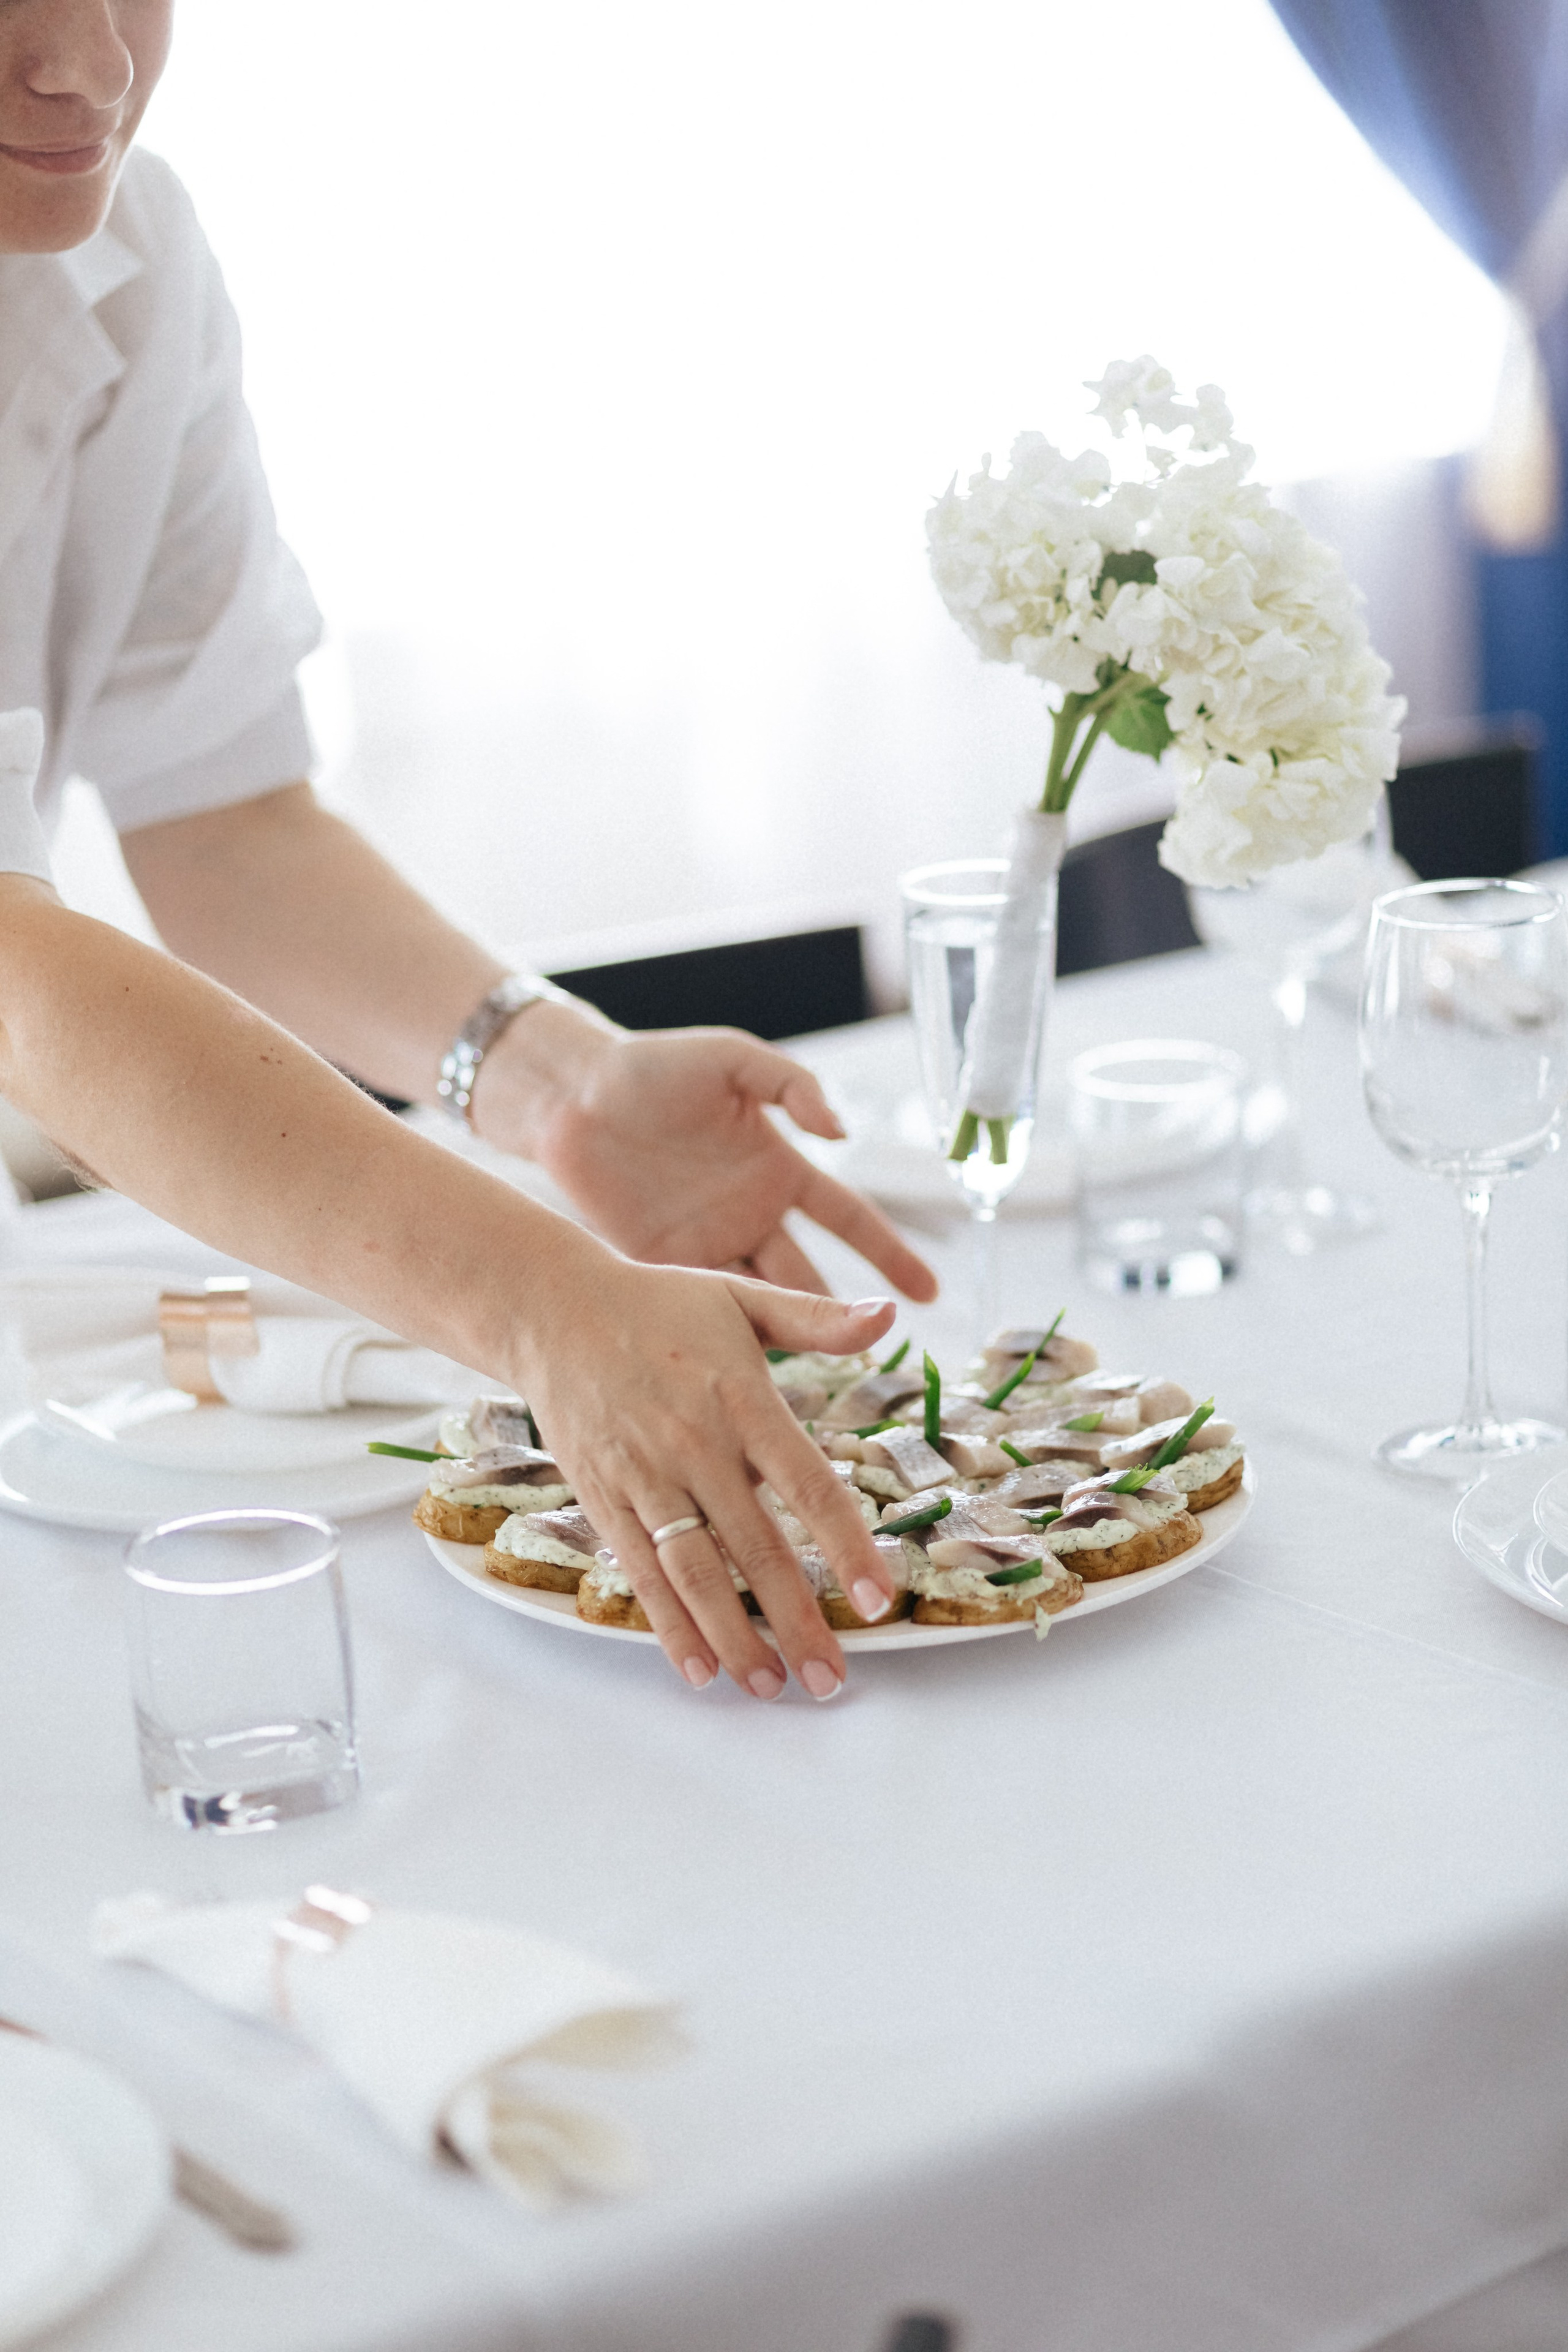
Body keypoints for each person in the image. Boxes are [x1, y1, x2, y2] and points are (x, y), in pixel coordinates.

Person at [0, 0, 938, 1702]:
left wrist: (556, 1084)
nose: (89, 67)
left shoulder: (132, 238)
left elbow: (224, 819)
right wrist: (534, 1306)